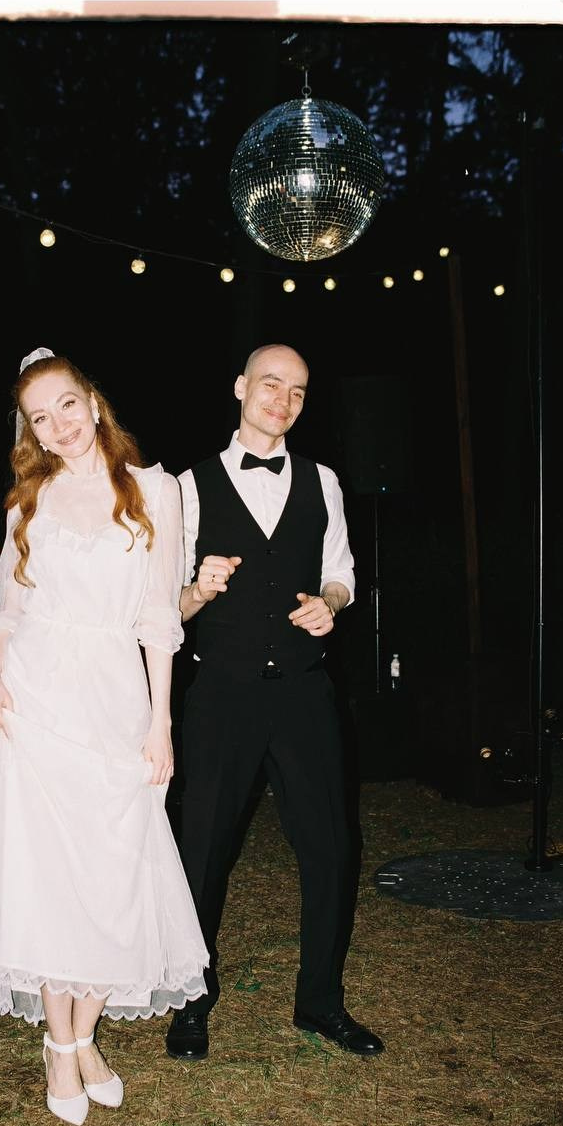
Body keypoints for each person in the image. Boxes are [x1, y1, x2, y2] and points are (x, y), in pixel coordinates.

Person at [0, 347, 208, 1126]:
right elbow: (10, 604)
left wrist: (160, 722)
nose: (59, 426)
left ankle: (81, 1035)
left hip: (114, 697)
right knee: (49, 875)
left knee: (119, 870)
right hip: (34, 696)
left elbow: (159, 619)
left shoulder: (157, 491)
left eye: (66, 405)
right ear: (30, 431)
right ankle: (63, 1046)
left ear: (94, 402)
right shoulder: (30, 499)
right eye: (40, 418)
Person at [165, 344, 383, 1061]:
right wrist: (198, 589)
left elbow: (341, 572)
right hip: (220, 693)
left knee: (332, 849)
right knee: (202, 852)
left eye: (297, 390)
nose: (283, 400)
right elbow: (166, 608)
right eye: (270, 384)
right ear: (239, 387)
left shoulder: (324, 480)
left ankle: (320, 1001)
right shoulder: (187, 487)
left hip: (303, 692)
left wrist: (330, 603)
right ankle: (191, 1001)